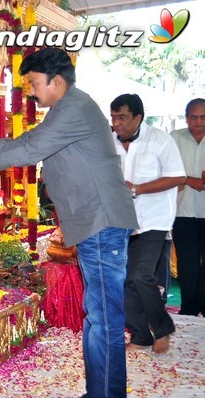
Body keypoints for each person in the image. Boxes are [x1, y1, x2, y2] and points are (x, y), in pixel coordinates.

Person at [0, 47, 138, 398]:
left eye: (34, 83)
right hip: (95, 223)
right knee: (97, 316)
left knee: (104, 320)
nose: (30, 91)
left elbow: (26, 149)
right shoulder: (68, 108)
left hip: (101, 223)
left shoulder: (74, 108)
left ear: (56, 81)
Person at [110, 94, 184, 354]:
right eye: (113, 117)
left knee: (140, 275)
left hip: (154, 220)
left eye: (122, 117)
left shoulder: (160, 140)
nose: (116, 123)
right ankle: (140, 335)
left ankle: (162, 328)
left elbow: (177, 177)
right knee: (123, 280)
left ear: (138, 117)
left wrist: (137, 189)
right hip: (120, 221)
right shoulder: (109, 142)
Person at [170, 98, 205, 316]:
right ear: (187, 118)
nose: (199, 122)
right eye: (194, 117)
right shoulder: (174, 139)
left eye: (203, 117)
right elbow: (164, 172)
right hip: (183, 211)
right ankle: (189, 309)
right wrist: (187, 179)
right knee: (188, 264)